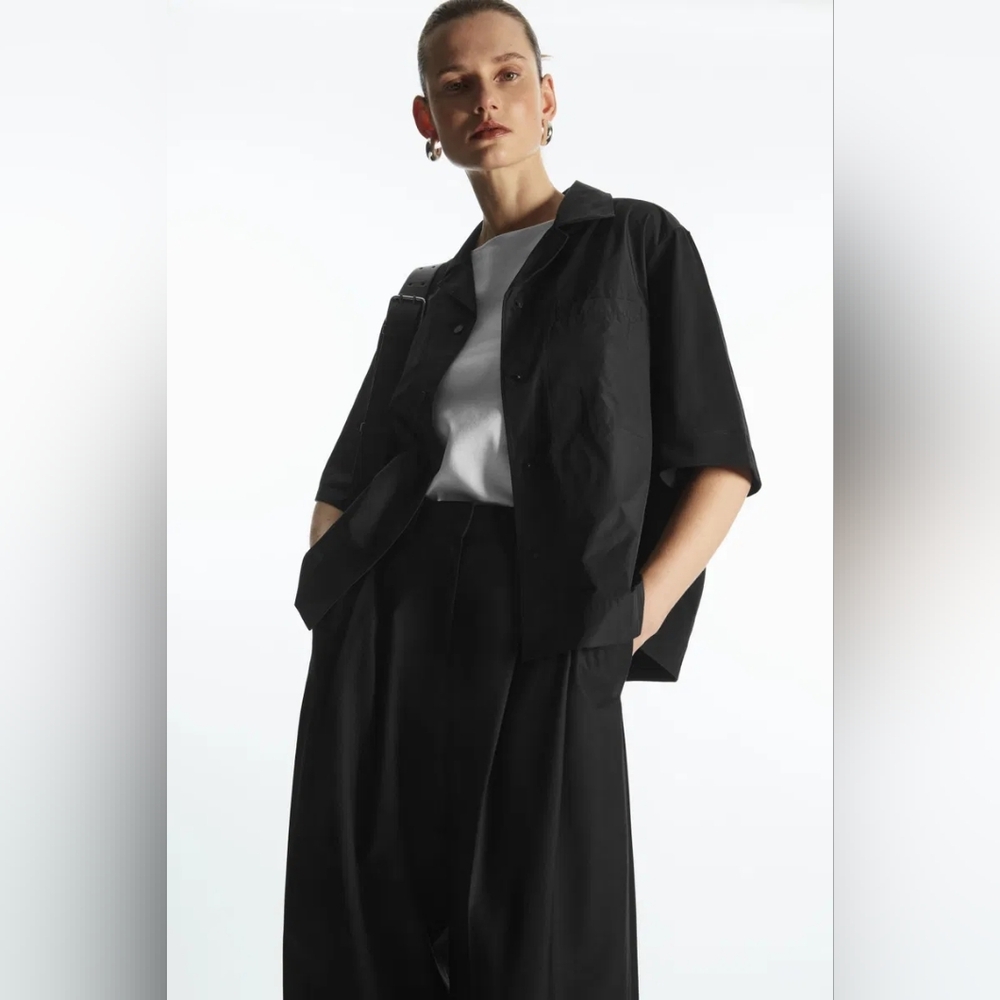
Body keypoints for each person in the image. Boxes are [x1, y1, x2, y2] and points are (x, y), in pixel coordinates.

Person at [282, 2, 762, 998]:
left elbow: (717, 462)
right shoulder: (427, 292)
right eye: (455, 85)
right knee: (371, 922)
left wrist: (634, 615)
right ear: (428, 119)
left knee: (542, 937)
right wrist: (341, 602)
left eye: (506, 75)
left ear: (547, 96)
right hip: (393, 618)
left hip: (552, 614)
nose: (484, 99)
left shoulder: (635, 242)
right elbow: (349, 475)